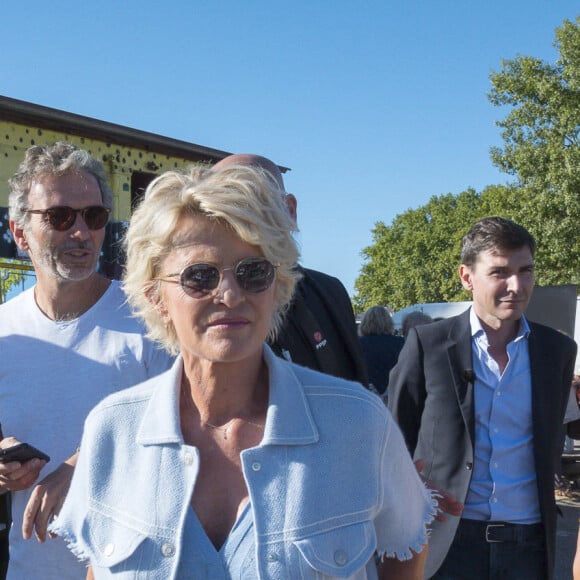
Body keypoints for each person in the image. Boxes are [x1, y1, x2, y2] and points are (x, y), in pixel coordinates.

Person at [51, 164, 436, 579]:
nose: (231, 295)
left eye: (253, 272)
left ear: (278, 285)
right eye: (200, 277)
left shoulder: (358, 422)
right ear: (156, 296)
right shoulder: (113, 430)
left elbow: (406, 546)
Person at [0, 142, 173, 580]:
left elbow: (189, 439)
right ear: (20, 232)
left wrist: (86, 467)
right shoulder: (5, 331)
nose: (81, 232)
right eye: (60, 217)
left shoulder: (150, 322)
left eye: (93, 217)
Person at [388, 216, 577, 579]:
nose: (516, 285)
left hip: (529, 545)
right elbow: (391, 437)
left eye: (526, 271)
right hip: (447, 542)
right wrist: (409, 486)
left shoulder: (557, 351)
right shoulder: (429, 345)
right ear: (466, 276)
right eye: (500, 272)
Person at [212, 154, 368, 385]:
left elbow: (356, 384)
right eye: (227, 208)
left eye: (257, 203)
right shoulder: (207, 299)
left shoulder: (328, 291)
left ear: (290, 210)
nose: (245, 220)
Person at [358, 306, 404, 396]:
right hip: (394, 393)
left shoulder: (358, 344)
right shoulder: (400, 343)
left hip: (367, 394)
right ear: (389, 323)